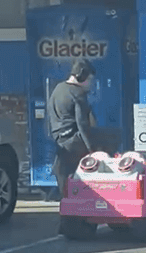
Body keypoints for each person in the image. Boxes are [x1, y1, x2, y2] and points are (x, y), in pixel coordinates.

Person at [47, 59, 97, 200]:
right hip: (75, 142)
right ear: (81, 76)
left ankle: (67, 213)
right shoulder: (78, 93)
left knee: (65, 185)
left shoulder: (58, 89)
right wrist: (91, 149)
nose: (90, 83)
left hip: (60, 142)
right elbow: (82, 124)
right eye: (89, 79)